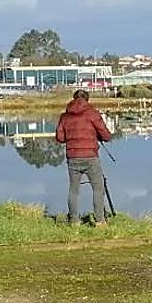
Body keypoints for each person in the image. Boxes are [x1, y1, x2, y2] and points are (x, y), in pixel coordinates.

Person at [55, 89, 113, 226]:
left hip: (73, 157)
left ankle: (74, 221)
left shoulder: (65, 117)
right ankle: (100, 220)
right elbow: (106, 135)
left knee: (73, 190)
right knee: (98, 188)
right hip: (91, 157)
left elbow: (60, 138)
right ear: (87, 99)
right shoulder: (92, 114)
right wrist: (98, 136)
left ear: (73, 99)